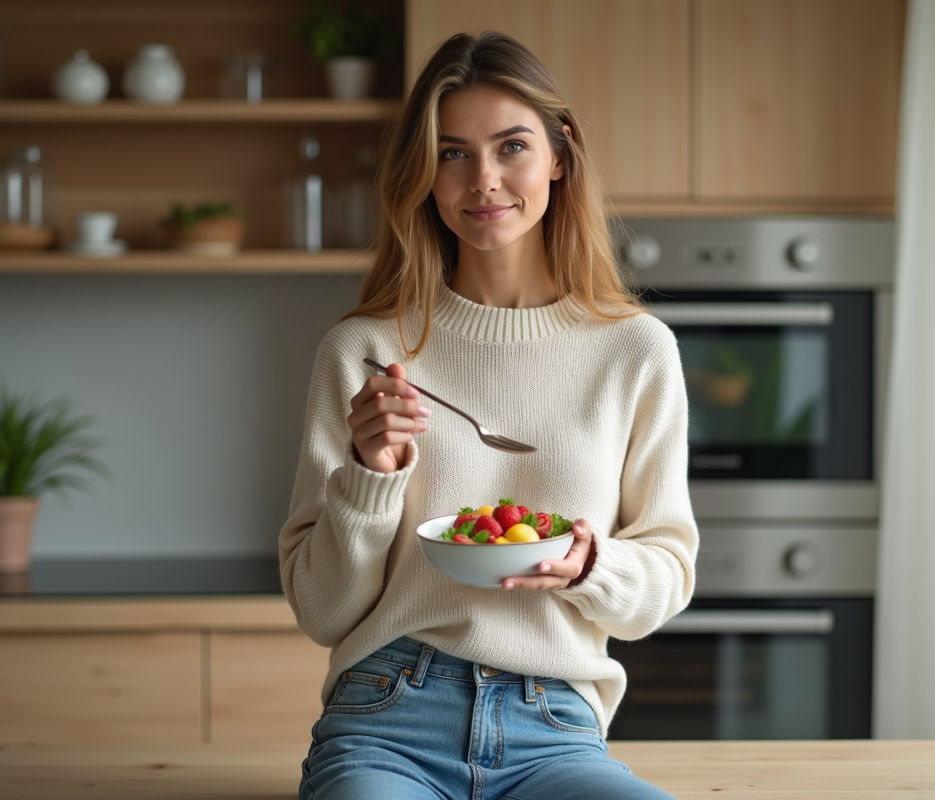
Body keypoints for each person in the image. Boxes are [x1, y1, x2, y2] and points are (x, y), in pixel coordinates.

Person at [279, 30, 698, 800]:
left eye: (512, 147)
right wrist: (371, 477)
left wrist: (590, 565)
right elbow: (321, 608)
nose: (485, 180)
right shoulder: (368, 350)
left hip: (555, 727)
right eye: (452, 153)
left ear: (559, 156)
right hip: (386, 718)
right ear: (424, 174)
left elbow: (667, 575)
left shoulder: (636, 350)